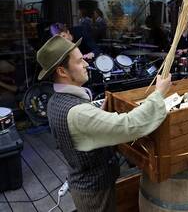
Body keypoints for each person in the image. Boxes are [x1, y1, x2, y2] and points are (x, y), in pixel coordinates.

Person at [36, 36, 171, 211]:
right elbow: (129, 125)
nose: (86, 64)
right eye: (79, 61)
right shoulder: (78, 113)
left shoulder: (55, 101)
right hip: (94, 194)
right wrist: (159, 93)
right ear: (62, 72)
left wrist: (99, 115)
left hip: (83, 185)